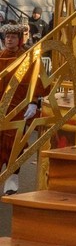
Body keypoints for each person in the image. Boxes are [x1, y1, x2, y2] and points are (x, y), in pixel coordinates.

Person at [1, 23, 44, 195]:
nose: (9, 40)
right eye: (7, 37)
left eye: (12, 37)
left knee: (14, 145)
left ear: (19, 40)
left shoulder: (25, 58)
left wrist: (33, 102)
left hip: (18, 107)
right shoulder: (0, 55)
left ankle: (12, 180)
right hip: (0, 107)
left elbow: (33, 81)